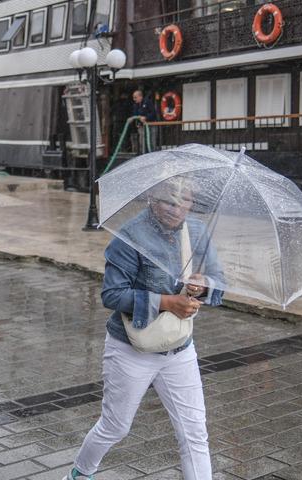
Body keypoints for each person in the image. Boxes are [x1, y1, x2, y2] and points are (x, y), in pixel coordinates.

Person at [64, 178, 224, 480]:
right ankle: (80, 474)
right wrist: (167, 302)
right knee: (116, 427)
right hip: (131, 347)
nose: (176, 209)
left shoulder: (199, 231)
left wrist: (202, 287)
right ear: (152, 197)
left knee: (194, 433)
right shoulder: (130, 236)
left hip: (179, 348)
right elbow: (111, 295)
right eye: (169, 201)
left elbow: (218, 281)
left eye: (185, 201)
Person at [131, 90, 157, 154]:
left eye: (135, 97)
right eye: (133, 97)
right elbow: (135, 114)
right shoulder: (135, 105)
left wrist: (146, 117)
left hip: (151, 125)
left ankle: (152, 155)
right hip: (141, 126)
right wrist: (137, 121)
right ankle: (143, 155)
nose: (134, 99)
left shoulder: (148, 102)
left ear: (140, 96)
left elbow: (153, 113)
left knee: (151, 142)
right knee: (142, 142)